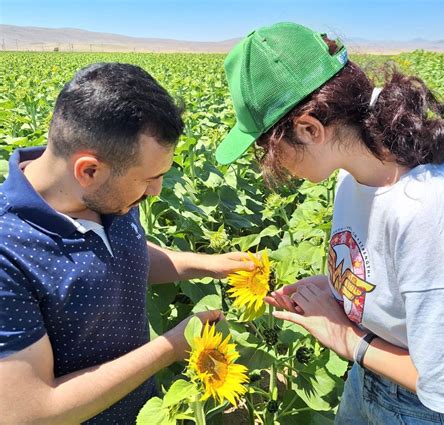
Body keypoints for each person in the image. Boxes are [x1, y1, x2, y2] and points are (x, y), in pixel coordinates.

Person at [215, 22, 444, 424]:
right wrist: (342, 288)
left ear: (309, 129)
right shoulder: (355, 168)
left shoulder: (429, 209)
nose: (272, 162)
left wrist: (346, 337)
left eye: (269, 148)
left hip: (421, 409)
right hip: (366, 379)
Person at [0, 62, 255, 424]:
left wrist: (208, 264)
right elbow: (29, 413)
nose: (156, 191)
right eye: (149, 179)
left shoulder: (109, 195)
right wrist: (170, 348)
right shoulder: (9, 252)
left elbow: (126, 255)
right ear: (89, 170)